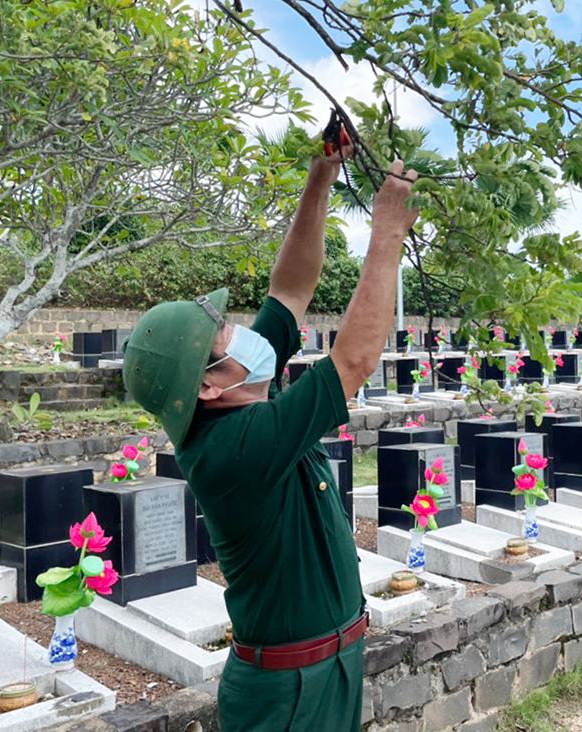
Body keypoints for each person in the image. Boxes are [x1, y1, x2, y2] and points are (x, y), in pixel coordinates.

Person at [121, 135, 420, 731]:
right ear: (206, 385)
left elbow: (289, 292)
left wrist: (320, 180)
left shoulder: (239, 399)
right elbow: (354, 361)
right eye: (225, 335)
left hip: (328, 667)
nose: (241, 334)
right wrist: (386, 234)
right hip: (287, 694)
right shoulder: (234, 448)